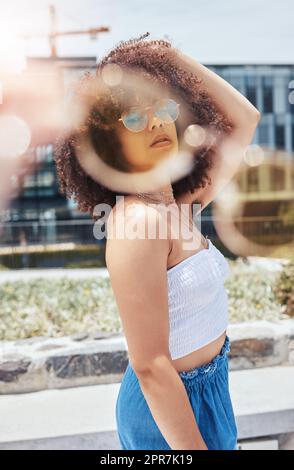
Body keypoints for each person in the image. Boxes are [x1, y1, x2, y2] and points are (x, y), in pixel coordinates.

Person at [54, 32, 260, 450]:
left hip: (211, 390)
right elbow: (149, 366)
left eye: (163, 108)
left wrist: (169, 58)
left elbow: (245, 120)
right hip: (165, 410)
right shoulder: (137, 224)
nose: (155, 122)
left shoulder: (179, 206)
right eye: (132, 118)